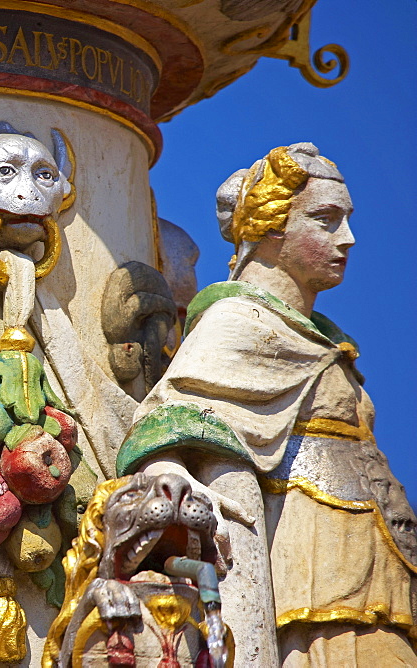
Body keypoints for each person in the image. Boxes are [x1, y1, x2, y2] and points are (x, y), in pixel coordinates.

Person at [116, 143, 417, 666]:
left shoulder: (320, 342)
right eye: (325, 220)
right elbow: (168, 418)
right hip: (313, 574)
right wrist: (169, 470)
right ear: (269, 226)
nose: (347, 239)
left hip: (374, 567)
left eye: (345, 220)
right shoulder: (239, 323)